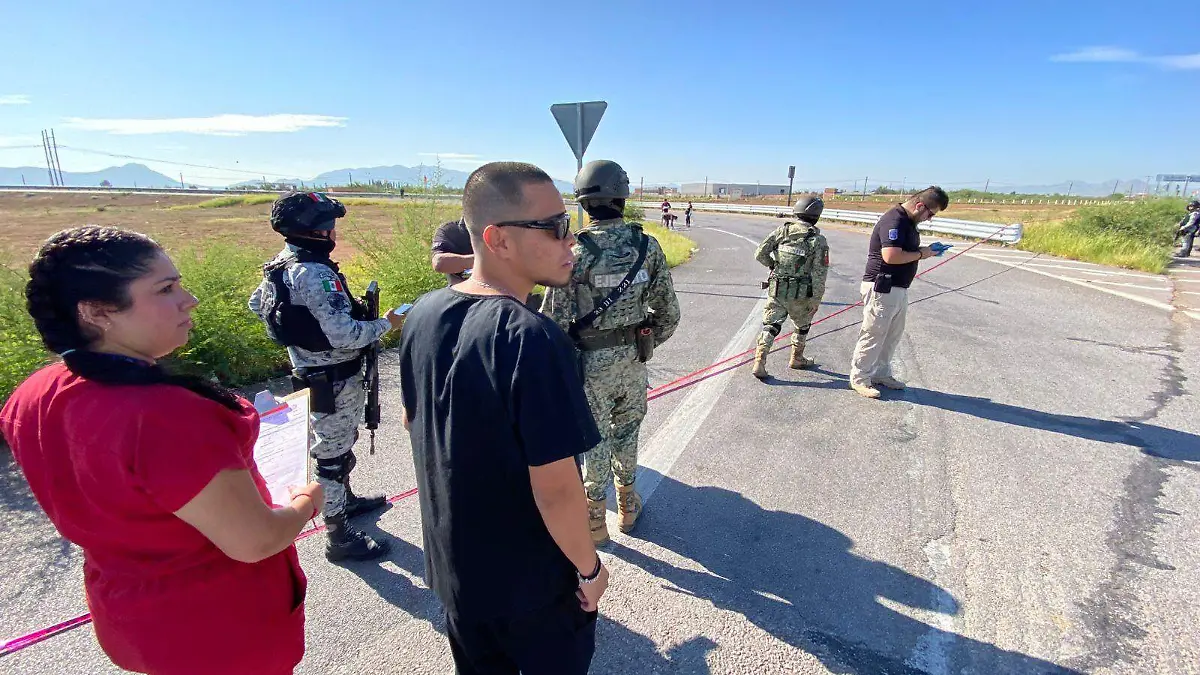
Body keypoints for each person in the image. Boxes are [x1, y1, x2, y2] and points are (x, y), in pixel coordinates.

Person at [0, 226, 320, 675]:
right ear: (96, 312)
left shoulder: (35, 391)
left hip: (131, 616)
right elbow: (256, 541)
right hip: (219, 630)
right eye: (166, 289)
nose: (188, 300)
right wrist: (306, 502)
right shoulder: (166, 415)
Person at [399, 161, 608, 675]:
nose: (570, 242)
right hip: (531, 589)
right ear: (498, 239)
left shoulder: (421, 314)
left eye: (572, 226)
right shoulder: (532, 337)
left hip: (457, 577)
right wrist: (590, 568)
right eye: (555, 227)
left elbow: (417, 424)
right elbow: (557, 487)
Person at [248, 192, 404, 562]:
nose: (333, 232)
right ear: (315, 231)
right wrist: (388, 323)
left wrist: (300, 337)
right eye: (328, 226)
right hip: (332, 377)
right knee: (330, 456)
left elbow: (259, 305)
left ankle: (344, 502)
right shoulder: (315, 272)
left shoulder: (281, 264)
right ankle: (338, 536)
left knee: (338, 444)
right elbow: (346, 335)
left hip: (314, 372)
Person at [542, 159, 681, 545]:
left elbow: (553, 321)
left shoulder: (574, 253)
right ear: (624, 195)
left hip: (588, 366)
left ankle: (594, 520)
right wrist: (644, 343)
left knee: (594, 437)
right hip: (633, 361)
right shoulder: (646, 246)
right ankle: (628, 504)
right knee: (628, 430)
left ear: (583, 203)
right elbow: (669, 314)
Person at [848, 186, 949, 399]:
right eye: (930, 213)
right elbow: (891, 256)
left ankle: (881, 373)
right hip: (882, 287)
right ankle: (860, 377)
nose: (929, 219)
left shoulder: (908, 222)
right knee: (874, 333)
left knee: (892, 334)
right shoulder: (894, 221)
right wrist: (924, 253)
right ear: (920, 205)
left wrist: (926, 251)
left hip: (897, 288)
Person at [750, 196, 831, 380]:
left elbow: (759, 253)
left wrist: (773, 265)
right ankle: (797, 358)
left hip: (777, 288)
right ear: (816, 216)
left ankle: (759, 361)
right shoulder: (818, 241)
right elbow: (819, 274)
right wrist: (816, 300)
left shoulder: (782, 231)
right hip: (801, 293)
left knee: (771, 325)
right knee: (802, 326)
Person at [431, 216, 475, 285]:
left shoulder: (496, 227)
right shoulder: (450, 230)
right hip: (460, 290)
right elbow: (439, 263)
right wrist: (483, 260)